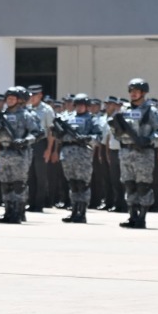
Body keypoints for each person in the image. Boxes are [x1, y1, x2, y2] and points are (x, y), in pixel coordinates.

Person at [111, 79, 158, 229]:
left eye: (136, 91)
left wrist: (149, 139)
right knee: (129, 185)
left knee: (143, 186)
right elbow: (114, 129)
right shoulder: (123, 110)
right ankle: (132, 215)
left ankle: (142, 217)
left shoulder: (151, 111)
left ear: (143, 93)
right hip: (126, 151)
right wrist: (117, 132)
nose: (133, 94)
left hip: (143, 153)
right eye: (131, 91)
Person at [0, 86, 42, 224]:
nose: (10, 100)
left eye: (13, 98)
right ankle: (8, 211)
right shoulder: (1, 115)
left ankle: (18, 212)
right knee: (6, 184)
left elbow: (37, 133)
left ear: (20, 100)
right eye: (8, 98)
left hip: (20, 153)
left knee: (18, 184)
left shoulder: (26, 115)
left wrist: (25, 141)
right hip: (4, 152)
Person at [54, 93, 103, 223]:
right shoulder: (67, 118)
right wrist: (58, 130)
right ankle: (74, 210)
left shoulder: (91, 119)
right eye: (78, 105)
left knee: (82, 184)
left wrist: (87, 138)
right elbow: (58, 135)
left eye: (83, 105)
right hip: (67, 154)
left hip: (83, 154)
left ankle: (82, 212)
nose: (80, 107)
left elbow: (98, 137)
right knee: (73, 184)